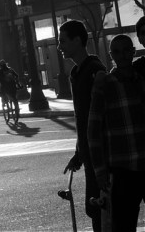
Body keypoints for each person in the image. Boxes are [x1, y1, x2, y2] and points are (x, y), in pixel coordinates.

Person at [86, 34, 145, 231]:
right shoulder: (105, 85)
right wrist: (100, 171)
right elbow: (93, 131)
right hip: (122, 169)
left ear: (133, 52)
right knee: (124, 225)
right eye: (117, 52)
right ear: (111, 55)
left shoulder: (141, 81)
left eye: (127, 50)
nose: (122, 55)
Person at [59, 19, 107, 232]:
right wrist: (79, 153)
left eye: (63, 41)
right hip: (89, 154)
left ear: (77, 40)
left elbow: (97, 117)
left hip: (101, 155)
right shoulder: (76, 73)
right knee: (95, 209)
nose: (59, 46)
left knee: (100, 209)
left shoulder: (94, 70)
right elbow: (83, 119)